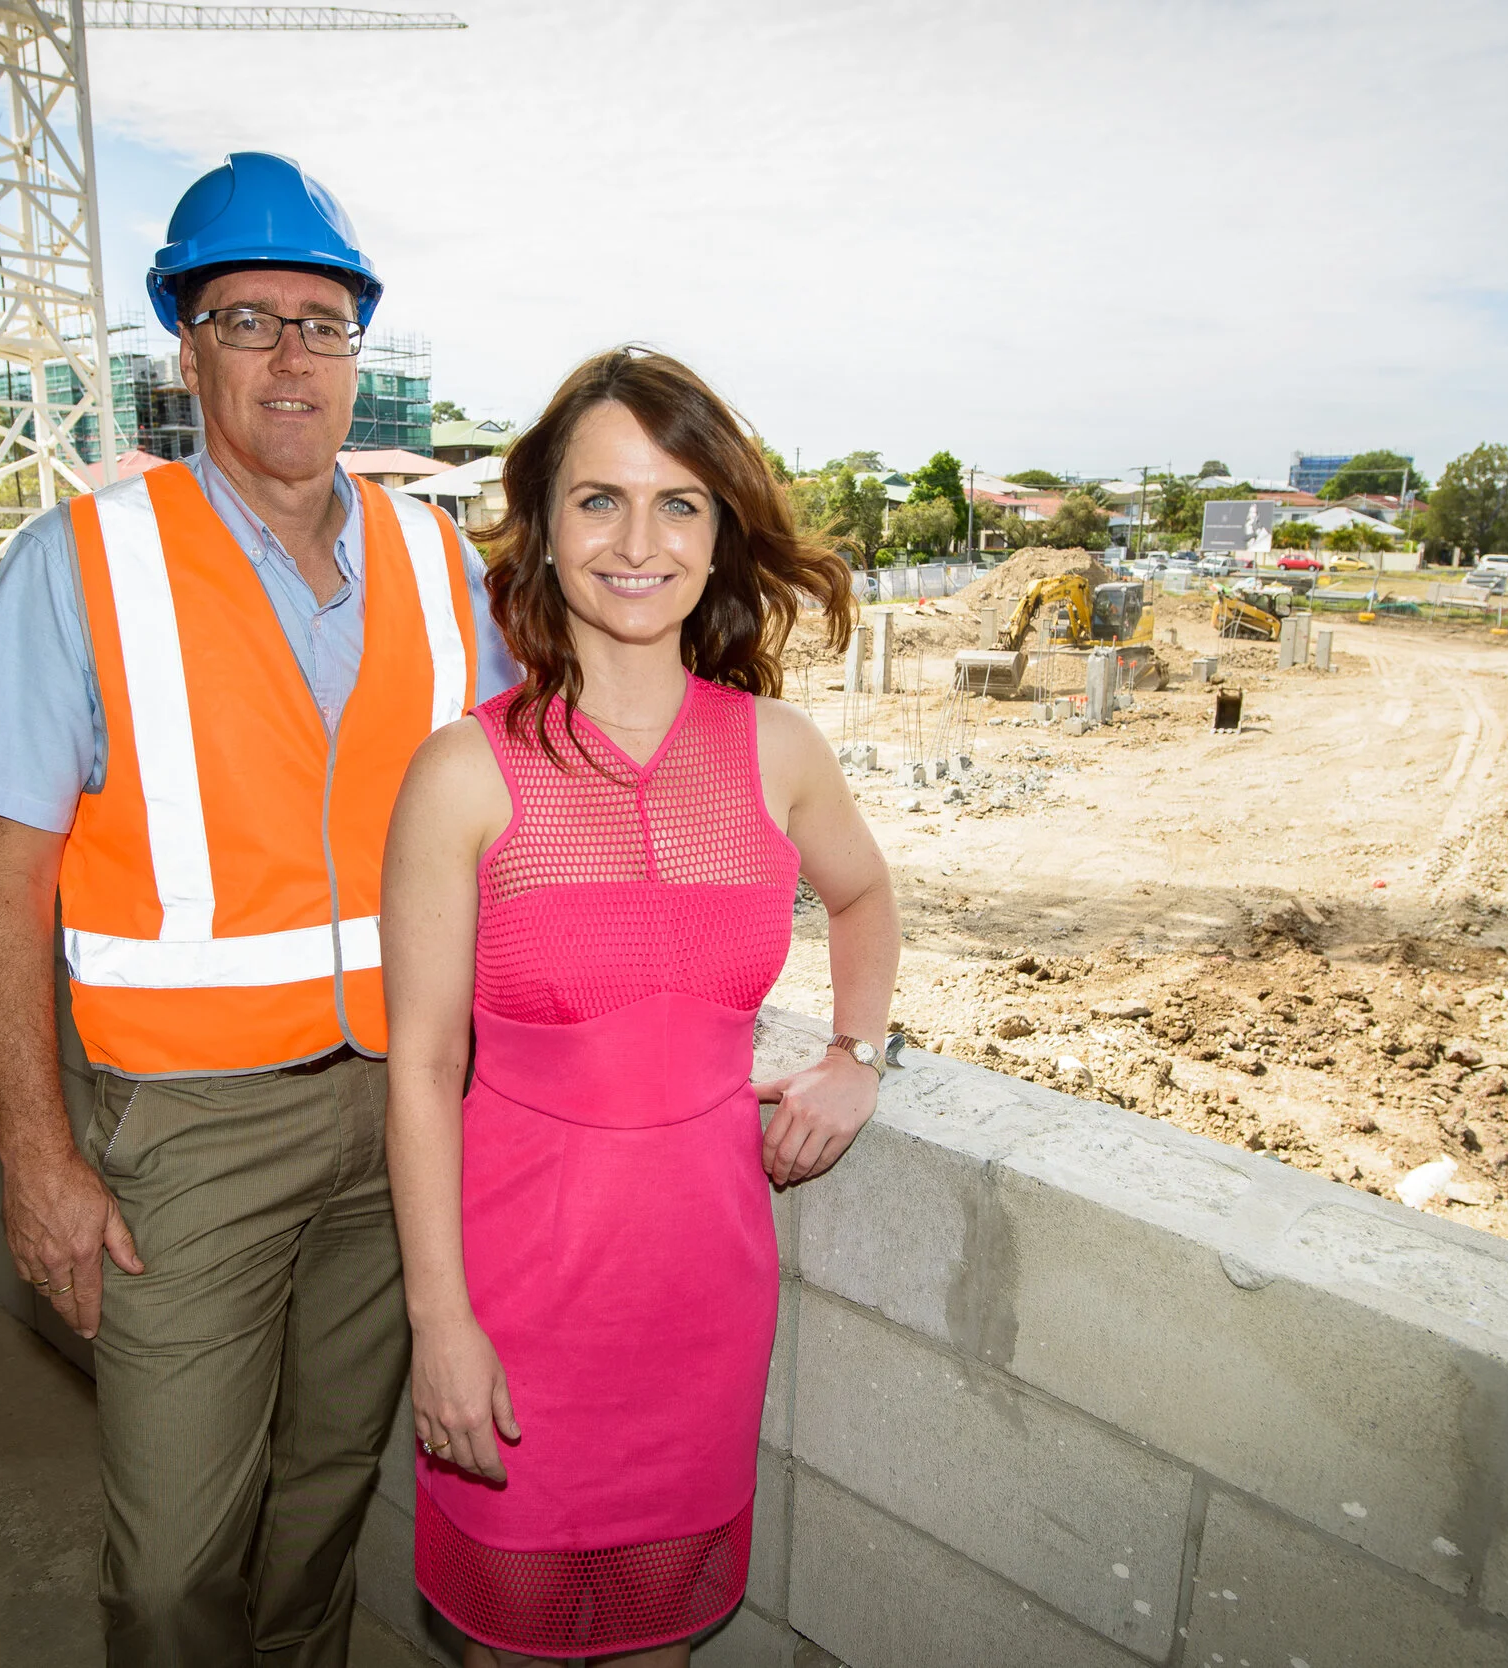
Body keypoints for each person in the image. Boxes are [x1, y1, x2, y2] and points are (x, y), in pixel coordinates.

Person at [0, 151, 518, 1668]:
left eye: (321, 320)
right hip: (187, 1138)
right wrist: (39, 1158)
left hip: (404, 1118)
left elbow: (520, 828)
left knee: (320, 1504)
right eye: (248, 319)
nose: (290, 356)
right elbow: (1, 882)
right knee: (178, 1563)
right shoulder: (83, 563)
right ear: (187, 349)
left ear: (357, 348)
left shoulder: (445, 565)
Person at [380, 348, 901, 1666]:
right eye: (599, 500)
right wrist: (440, 1323)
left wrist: (855, 1053)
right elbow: (423, 1063)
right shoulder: (464, 773)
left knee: (661, 1642)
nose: (639, 540)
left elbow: (865, 899)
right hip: (516, 1291)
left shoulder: (780, 753)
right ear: (543, 533)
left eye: (679, 504)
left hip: (703, 1291)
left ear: (721, 538)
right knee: (518, 1647)